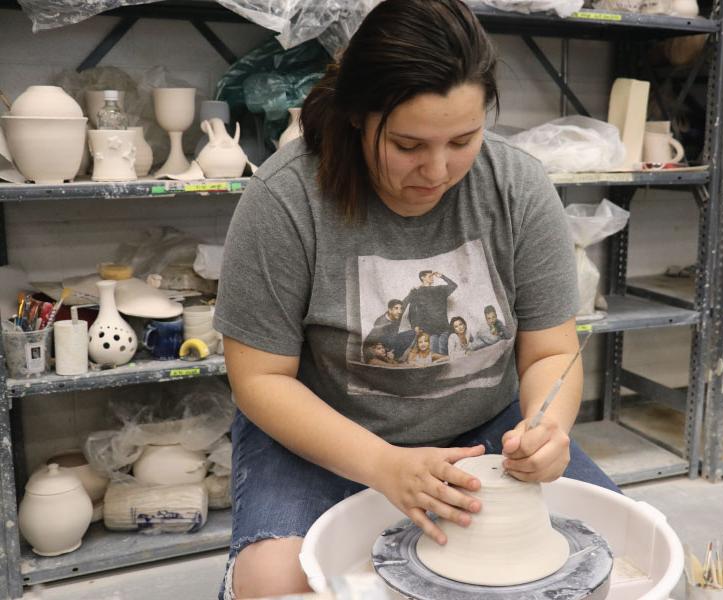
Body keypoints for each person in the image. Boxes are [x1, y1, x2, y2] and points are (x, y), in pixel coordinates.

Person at [214, 1, 619, 598]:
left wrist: (546, 427)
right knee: (276, 582)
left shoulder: (518, 186)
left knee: (610, 556)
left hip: (485, 428)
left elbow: (549, 353)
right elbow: (260, 380)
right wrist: (382, 466)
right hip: (322, 434)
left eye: (463, 139)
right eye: (408, 145)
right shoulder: (286, 199)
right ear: (357, 116)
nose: (437, 169)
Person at [403, 270, 457, 355]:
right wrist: (415, 326)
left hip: (443, 326)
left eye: (433, 276)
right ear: (422, 278)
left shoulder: (439, 289)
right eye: (430, 276)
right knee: (433, 354)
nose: (432, 277)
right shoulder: (416, 292)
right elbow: (412, 311)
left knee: (444, 352)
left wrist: (442, 276)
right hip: (428, 329)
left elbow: (453, 286)